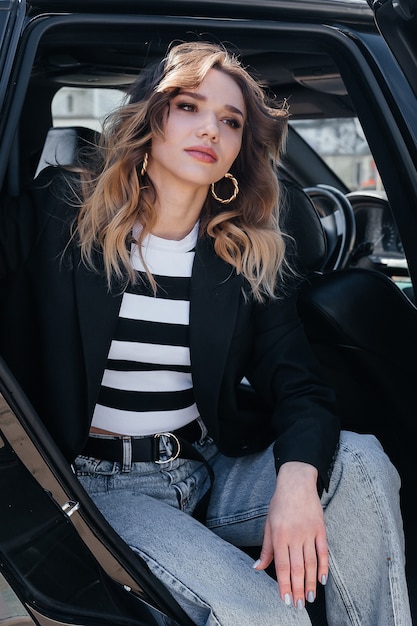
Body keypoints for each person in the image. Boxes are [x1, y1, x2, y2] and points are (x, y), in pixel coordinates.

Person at [0, 40, 412, 625]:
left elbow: (302, 388)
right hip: (97, 487)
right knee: (274, 617)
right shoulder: (60, 215)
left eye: (231, 120)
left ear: (240, 149)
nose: (210, 130)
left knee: (361, 463)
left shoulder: (243, 254)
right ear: (151, 117)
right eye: (189, 106)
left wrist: (297, 478)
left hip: (206, 467)